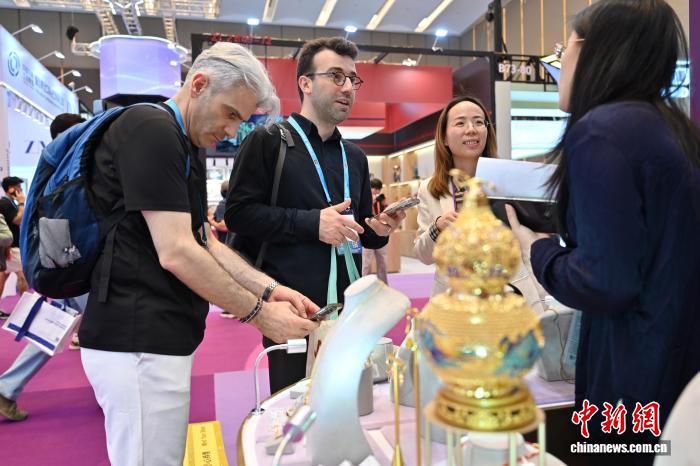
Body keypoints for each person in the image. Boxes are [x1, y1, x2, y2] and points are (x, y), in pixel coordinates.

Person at [77, 42, 319, 465]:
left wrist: (271, 290)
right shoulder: (151, 129)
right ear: (199, 84)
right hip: (136, 340)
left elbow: (205, 241)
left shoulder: (179, 141)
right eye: (230, 113)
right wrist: (261, 315)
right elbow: (176, 251)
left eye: (240, 120)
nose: (232, 131)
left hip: (157, 339)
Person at [506, 0, 700, 461]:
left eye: (563, 49)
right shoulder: (673, 130)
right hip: (677, 370)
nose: (559, 63)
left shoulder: (601, 131)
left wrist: (539, 249)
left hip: (632, 378)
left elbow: (604, 282)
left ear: (596, 50)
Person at [226, 37, 405, 393]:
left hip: (351, 308)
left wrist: (379, 230)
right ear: (305, 83)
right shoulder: (268, 141)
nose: (348, 87)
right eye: (336, 76)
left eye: (352, 79)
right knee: (294, 404)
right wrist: (312, 223)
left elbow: (360, 229)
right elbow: (239, 214)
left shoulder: (354, 157)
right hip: (292, 307)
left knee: (354, 401)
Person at [413, 96, 546, 312]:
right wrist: (437, 228)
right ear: (444, 137)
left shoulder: (508, 179)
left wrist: (541, 297)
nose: (471, 129)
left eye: (478, 122)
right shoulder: (430, 189)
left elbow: (527, 246)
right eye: (460, 123)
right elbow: (424, 255)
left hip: (511, 298)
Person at [0, 113, 87, 422]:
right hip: (70, 255)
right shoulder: (67, 163)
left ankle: (7, 389)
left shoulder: (52, 164)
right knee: (92, 320)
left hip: (62, 254)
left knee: (60, 322)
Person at [0, 176, 28, 302]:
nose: (20, 190)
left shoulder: (9, 203)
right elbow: (18, 220)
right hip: (11, 248)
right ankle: (25, 307)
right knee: (23, 276)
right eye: (18, 187)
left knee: (2, 278)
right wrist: (21, 203)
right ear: (11, 189)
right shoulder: (5, 203)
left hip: (9, 247)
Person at [361, 178, 389, 283]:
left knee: (383, 262)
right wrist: (370, 201)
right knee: (366, 263)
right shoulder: (365, 199)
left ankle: (383, 285)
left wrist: (384, 204)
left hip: (381, 233)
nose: (376, 192)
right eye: (374, 189)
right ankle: (364, 284)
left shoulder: (381, 200)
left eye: (378, 189)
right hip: (368, 234)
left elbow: (387, 213)